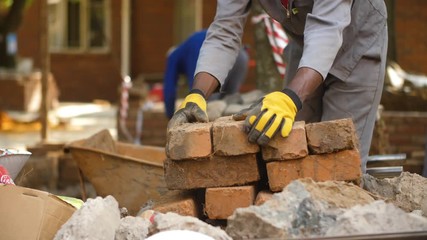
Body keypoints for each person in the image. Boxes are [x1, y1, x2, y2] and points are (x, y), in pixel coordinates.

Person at [168, 0, 388, 173]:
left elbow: (326, 31)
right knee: (289, 151)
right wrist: (196, 96)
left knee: (340, 159)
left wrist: (289, 99)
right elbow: (225, 30)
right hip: (304, 41)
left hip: (358, 40)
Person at [163, 29, 249, 119]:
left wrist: (170, 116)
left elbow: (170, 87)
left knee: (206, 107)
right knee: (229, 105)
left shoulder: (173, 56)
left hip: (219, 56)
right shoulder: (191, 44)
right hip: (240, 55)